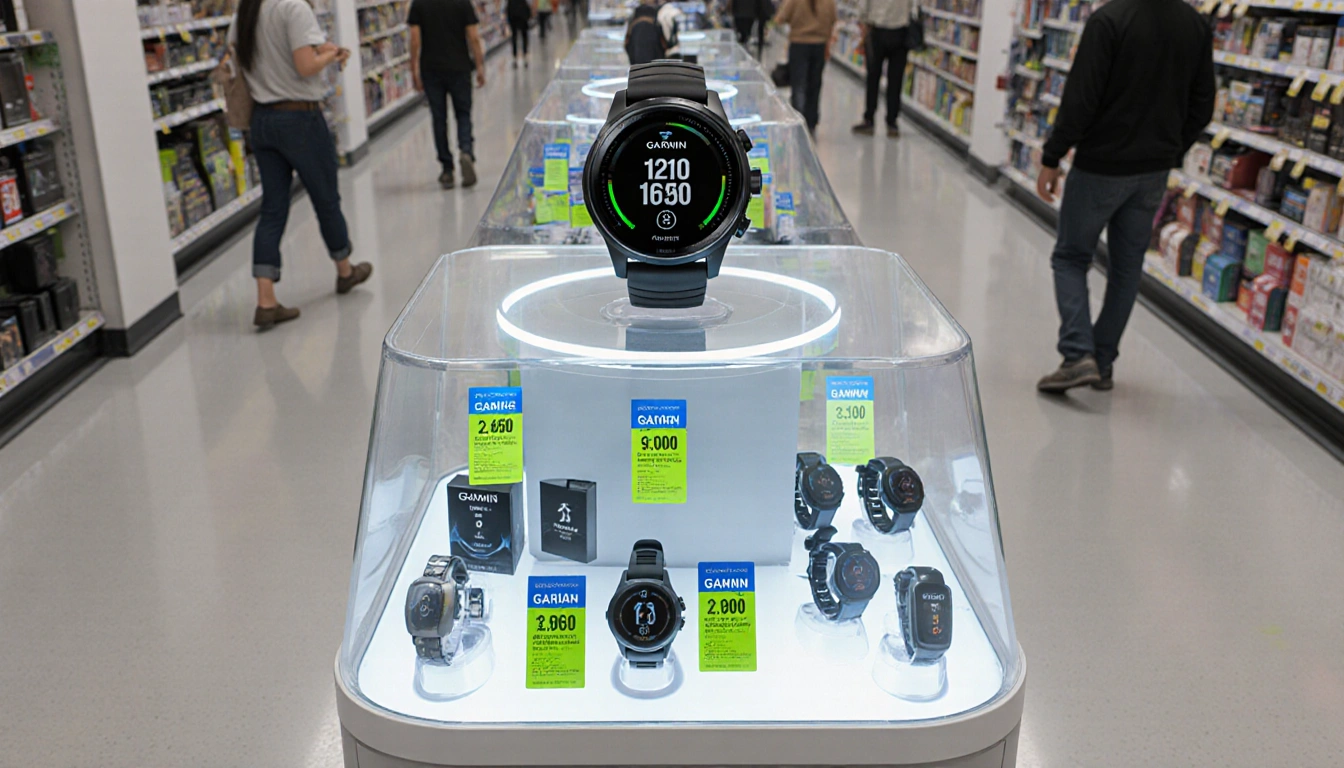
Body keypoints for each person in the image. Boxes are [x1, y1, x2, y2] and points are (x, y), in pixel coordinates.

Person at [1034, 0, 1214, 393]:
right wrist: (1171, 148)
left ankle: (1078, 354)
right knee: (1126, 269)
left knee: (1070, 257)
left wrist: (1052, 156)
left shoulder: (1109, 21)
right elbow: (1203, 106)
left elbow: (1081, 99)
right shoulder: (1194, 25)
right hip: (1153, 172)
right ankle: (1102, 358)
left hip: (1100, 166)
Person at [228, 0, 371, 331]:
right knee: (325, 198)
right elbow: (306, 66)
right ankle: (345, 271)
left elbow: (240, 57)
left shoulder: (246, 12)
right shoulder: (293, 7)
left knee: (273, 209)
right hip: (299, 118)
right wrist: (332, 56)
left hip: (261, 119)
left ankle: (266, 301)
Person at [409, 0, 487, 190]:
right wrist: (479, 65)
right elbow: (474, 37)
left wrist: (414, 70)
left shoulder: (419, 4)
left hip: (431, 69)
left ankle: (447, 169)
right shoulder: (462, 3)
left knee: (439, 118)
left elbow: (415, 40)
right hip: (459, 67)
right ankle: (466, 151)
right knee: (463, 114)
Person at [774, 0, 836, 134]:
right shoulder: (828, 2)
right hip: (819, 45)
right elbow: (832, 20)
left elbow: (780, 18)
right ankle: (812, 120)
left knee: (798, 83)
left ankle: (798, 118)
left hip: (799, 44)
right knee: (815, 83)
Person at [850, 0, 909, 137]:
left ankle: (869, 119)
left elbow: (863, 6)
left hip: (877, 31)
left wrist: (863, 22)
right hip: (900, 32)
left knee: (873, 77)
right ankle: (892, 122)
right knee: (895, 80)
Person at [625, 0, 667, 65]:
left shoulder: (634, 18)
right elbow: (664, 44)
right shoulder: (655, 18)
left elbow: (626, 42)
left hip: (637, 64)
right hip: (655, 65)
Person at [507, 0, 532, 67]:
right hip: (522, 14)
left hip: (513, 14)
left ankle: (515, 58)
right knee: (524, 36)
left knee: (514, 37)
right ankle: (525, 56)